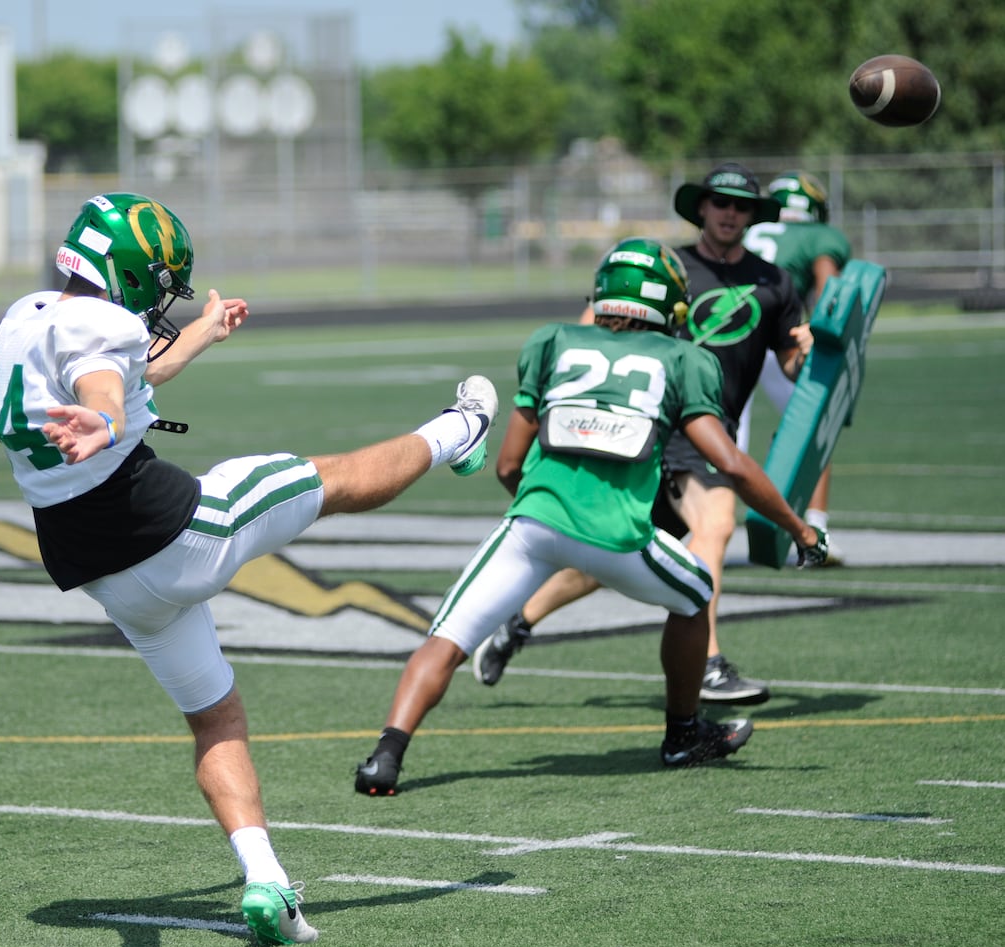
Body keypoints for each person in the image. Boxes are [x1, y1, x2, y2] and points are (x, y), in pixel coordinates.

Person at [0, 193, 499, 945]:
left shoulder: (24, 317)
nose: (160, 298)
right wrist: (101, 419)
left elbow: (122, 372)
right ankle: (461, 430)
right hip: (180, 531)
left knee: (215, 716)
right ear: (127, 270)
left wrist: (197, 336)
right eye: (158, 281)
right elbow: (104, 383)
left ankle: (265, 882)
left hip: (101, 570)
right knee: (338, 477)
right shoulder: (102, 328)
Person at [353, 237, 827, 797]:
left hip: (533, 523)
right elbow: (729, 462)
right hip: (618, 536)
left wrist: (540, 510)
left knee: (448, 638)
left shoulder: (552, 341)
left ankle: (385, 757)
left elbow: (508, 464)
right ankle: (682, 736)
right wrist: (799, 528)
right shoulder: (683, 359)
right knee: (695, 594)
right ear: (669, 304)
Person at [472, 163, 812, 706]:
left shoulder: (775, 282)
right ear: (700, 207)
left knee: (607, 560)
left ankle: (518, 622)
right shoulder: (664, 268)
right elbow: (591, 329)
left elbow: (792, 365)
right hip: (645, 425)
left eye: (741, 205)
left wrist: (807, 350)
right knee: (717, 523)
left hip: (707, 427)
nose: (729, 212)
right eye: (719, 202)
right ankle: (708, 664)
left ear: (753, 215)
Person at [740, 170, 852, 563]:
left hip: (725, 334)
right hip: (778, 339)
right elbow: (829, 291)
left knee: (720, 442)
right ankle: (816, 529)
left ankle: (700, 533)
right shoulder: (821, 237)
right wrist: (826, 335)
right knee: (813, 427)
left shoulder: (747, 228)